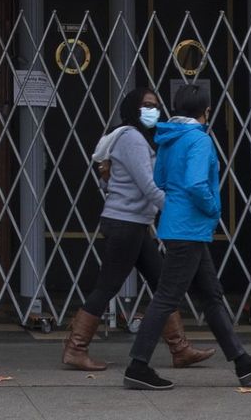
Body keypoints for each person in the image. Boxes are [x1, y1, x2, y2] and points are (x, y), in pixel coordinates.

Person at [122, 83, 251, 392]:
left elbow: (160, 179)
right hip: (190, 228)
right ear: (205, 111)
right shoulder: (199, 140)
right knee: (167, 297)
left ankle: (242, 361)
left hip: (177, 226)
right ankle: (137, 365)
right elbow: (196, 184)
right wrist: (213, 208)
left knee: (211, 296)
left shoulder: (168, 137)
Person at [61, 87, 216, 372]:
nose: (152, 111)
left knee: (161, 283)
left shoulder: (137, 138)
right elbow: (148, 186)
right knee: (108, 286)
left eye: (155, 106)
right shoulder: (131, 138)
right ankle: (75, 348)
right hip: (125, 224)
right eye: (146, 105)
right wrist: (178, 212)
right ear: (133, 107)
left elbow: (114, 182)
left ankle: (179, 349)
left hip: (135, 223)